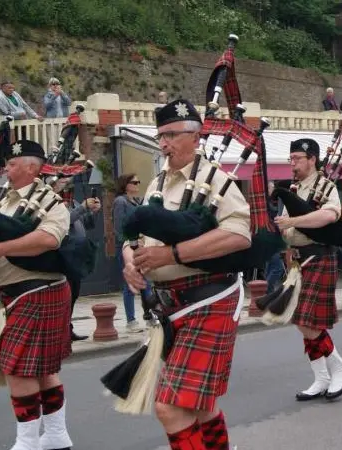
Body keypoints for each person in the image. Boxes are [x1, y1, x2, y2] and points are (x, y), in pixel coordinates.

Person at [122, 99, 251, 449]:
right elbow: (138, 239)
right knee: (202, 406)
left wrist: (173, 254)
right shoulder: (157, 184)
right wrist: (130, 262)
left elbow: (239, 234)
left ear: (196, 137)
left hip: (208, 298)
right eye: (160, 135)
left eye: (172, 135)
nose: (163, 143)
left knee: (171, 407)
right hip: (169, 305)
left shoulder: (216, 179)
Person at [0, 140, 73, 449]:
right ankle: (56, 436)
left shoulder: (52, 201)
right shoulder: (5, 202)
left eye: (12, 164)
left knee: (17, 369)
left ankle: (27, 442)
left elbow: (47, 240)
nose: (5, 169)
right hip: (17, 296)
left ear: (32, 167)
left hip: (38, 291)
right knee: (42, 371)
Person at [271, 138, 342, 401]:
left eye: (297, 158)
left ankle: (339, 367)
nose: (292, 164)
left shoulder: (326, 186)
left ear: (312, 160)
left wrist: (292, 219)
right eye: (291, 159)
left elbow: (329, 216)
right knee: (305, 323)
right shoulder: (294, 189)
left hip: (319, 256)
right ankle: (322, 377)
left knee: (307, 322)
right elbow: (287, 230)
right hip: (298, 260)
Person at [53, 176, 101, 341]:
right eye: (62, 182)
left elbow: (87, 224)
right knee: (66, 295)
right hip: (64, 255)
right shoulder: (53, 203)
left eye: (67, 183)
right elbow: (66, 221)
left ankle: (67, 328)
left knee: (74, 295)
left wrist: (93, 212)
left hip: (77, 255)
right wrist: (82, 207)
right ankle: (61, 330)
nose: (66, 185)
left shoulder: (73, 203)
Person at [113, 173, 151, 332]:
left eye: (138, 182)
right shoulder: (120, 201)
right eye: (134, 182)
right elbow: (119, 226)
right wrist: (127, 242)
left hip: (139, 246)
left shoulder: (136, 202)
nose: (137, 185)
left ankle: (149, 315)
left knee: (146, 282)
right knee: (131, 283)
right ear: (125, 184)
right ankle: (131, 321)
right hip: (127, 246)